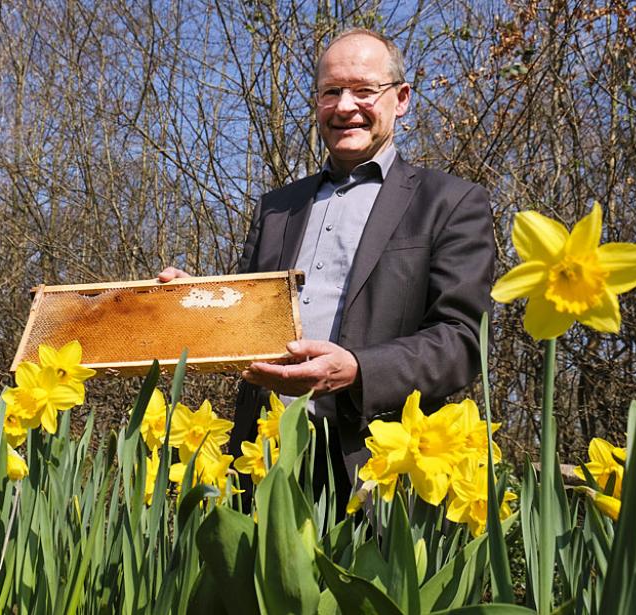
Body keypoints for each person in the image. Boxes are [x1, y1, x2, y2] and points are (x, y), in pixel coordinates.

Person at [158, 28, 495, 509]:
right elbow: (247, 321)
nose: (344, 106)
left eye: (363, 90)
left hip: (376, 466)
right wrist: (196, 303)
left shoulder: (449, 203)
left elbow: (461, 341)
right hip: (266, 461)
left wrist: (358, 370)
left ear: (401, 99)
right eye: (331, 91)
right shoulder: (278, 208)